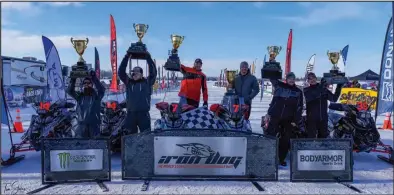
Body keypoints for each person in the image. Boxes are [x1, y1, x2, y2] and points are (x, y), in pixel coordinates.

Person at [265, 72, 304, 166]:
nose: (291, 80)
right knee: (271, 136)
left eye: (293, 78)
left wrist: (295, 120)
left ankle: (281, 159)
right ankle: (268, 157)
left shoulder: (298, 92)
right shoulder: (279, 86)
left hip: (288, 119)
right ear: (286, 79)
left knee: (285, 139)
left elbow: (299, 107)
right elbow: (272, 77)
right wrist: (272, 64)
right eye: (290, 78)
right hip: (275, 115)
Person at [118, 51, 157, 135]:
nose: (134, 73)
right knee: (129, 137)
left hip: (143, 114)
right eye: (133, 72)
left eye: (136, 72)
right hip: (130, 114)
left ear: (141, 74)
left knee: (146, 136)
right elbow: (120, 72)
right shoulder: (129, 82)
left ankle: (146, 148)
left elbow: (153, 73)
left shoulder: (147, 82)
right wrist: (126, 57)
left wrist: (148, 58)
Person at [303, 72, 343, 138]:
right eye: (310, 79)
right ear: (308, 81)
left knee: (323, 139)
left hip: (323, 119)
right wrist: (321, 87)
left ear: (316, 78)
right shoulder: (306, 90)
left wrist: (339, 86)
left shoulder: (323, 89)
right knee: (311, 139)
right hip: (312, 119)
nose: (312, 80)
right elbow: (312, 97)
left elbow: (334, 99)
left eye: (313, 78)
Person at [67, 70, 105, 138]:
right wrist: (73, 79)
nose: (86, 84)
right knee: (81, 145)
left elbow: (102, 89)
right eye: (85, 83)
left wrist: (94, 78)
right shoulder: (80, 96)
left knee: (94, 145)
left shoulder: (96, 97)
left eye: (88, 82)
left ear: (92, 84)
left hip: (94, 125)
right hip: (81, 125)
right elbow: (69, 91)